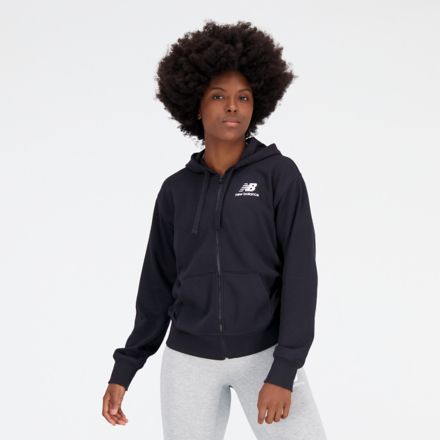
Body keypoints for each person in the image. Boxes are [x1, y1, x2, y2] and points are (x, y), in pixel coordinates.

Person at [102, 20, 327, 439]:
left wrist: (284, 368)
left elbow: (300, 275)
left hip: (265, 354)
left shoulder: (279, 176)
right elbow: (156, 286)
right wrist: (126, 367)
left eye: (243, 97)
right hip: (188, 360)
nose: (233, 107)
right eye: (219, 96)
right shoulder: (176, 190)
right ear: (196, 105)